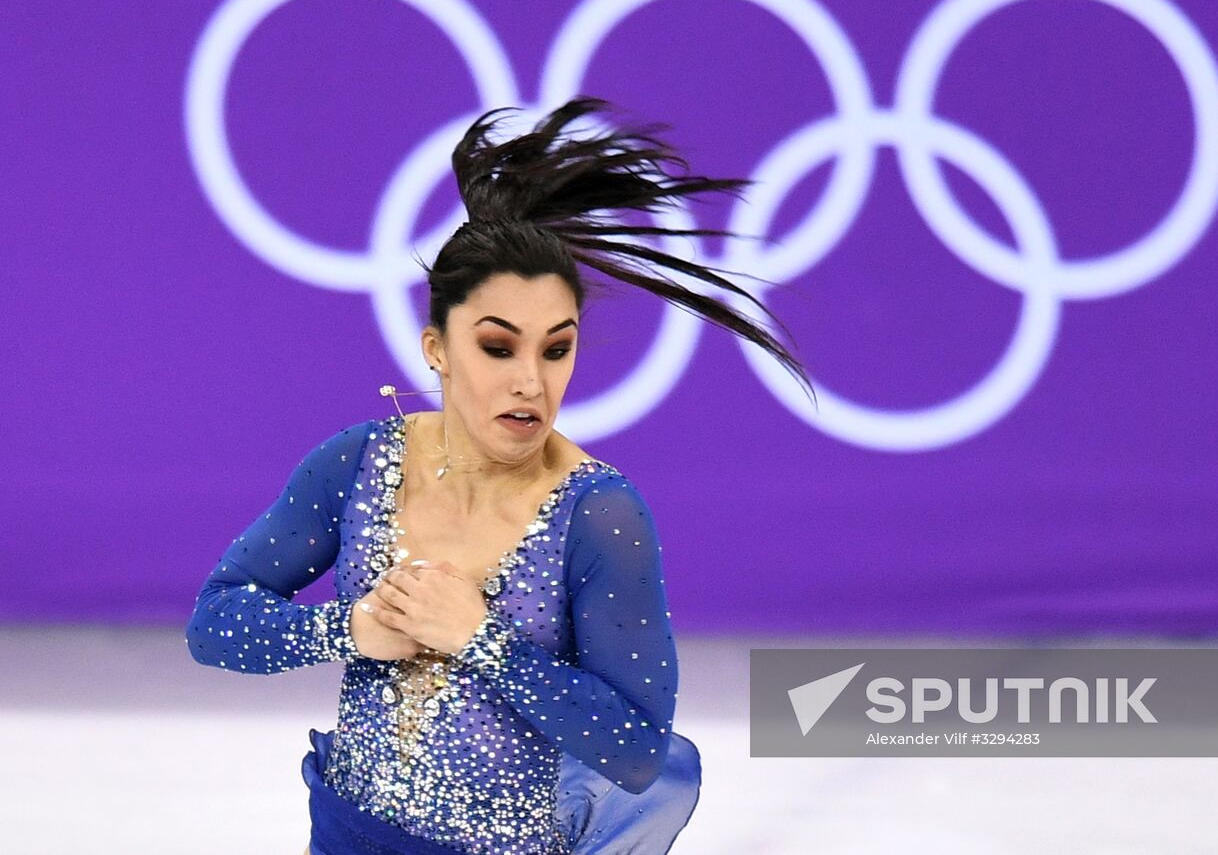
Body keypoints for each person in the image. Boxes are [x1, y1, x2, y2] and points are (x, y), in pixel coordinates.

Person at [185, 97, 815, 854]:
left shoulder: (600, 514)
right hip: (348, 836)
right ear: (437, 348)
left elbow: (639, 750)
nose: (531, 382)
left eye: (556, 349)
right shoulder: (355, 463)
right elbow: (215, 623)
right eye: (497, 346)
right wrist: (350, 629)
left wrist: (482, 639)